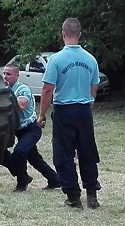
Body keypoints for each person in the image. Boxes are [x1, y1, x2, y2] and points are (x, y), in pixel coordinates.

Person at [37, 17, 102, 209]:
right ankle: (92, 194)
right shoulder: (90, 59)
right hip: (84, 110)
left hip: (64, 110)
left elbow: (48, 89)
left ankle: (73, 196)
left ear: (63, 34)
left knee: (64, 154)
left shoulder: (56, 59)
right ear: (79, 35)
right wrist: (88, 104)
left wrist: (42, 114)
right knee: (87, 152)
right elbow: (94, 86)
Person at [0, 64, 60, 192]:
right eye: (4, 73)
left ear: (17, 76)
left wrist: (6, 91)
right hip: (17, 131)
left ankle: (22, 182)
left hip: (31, 129)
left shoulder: (22, 89)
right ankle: (54, 180)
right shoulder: (2, 89)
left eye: (9, 74)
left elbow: (21, 106)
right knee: (32, 158)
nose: (5, 76)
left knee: (19, 152)